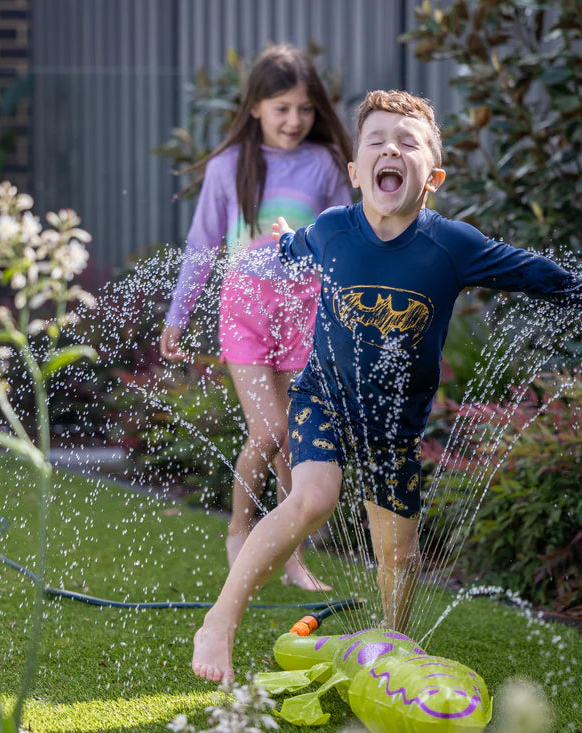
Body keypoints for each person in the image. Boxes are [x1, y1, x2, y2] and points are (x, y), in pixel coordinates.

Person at [191, 89, 582, 683]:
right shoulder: (331, 231)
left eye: (407, 143)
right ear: (356, 172)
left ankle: (394, 643)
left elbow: (526, 267)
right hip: (322, 396)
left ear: (433, 176)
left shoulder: (451, 245)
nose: (390, 150)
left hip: (396, 422)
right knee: (313, 497)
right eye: (375, 142)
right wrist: (274, 247)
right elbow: (290, 250)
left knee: (398, 551)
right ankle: (220, 619)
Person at [160, 45, 352, 591]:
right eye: (282, 108)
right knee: (267, 432)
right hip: (245, 314)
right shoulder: (228, 168)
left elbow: (342, 240)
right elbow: (201, 246)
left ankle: (290, 556)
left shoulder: (324, 165)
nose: (294, 120)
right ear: (255, 108)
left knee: (294, 438)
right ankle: (240, 531)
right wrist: (179, 315)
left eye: (305, 109)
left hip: (304, 313)